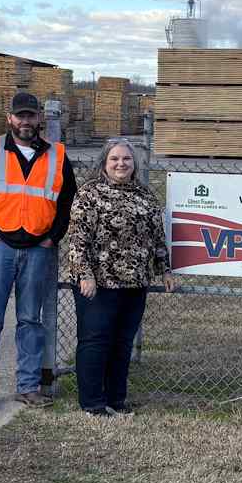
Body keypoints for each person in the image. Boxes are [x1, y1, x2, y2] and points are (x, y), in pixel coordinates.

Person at [0, 91, 77, 412]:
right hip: (1, 249)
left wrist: (52, 238)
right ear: (9, 118)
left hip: (38, 250)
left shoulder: (56, 155)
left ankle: (27, 387)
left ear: (40, 118)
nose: (25, 122)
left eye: (31, 116)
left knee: (30, 320)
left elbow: (68, 202)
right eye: (20, 116)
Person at [65, 139, 173, 416]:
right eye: (115, 159)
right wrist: (84, 275)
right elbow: (78, 239)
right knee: (95, 341)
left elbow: (157, 237)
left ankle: (116, 400)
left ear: (134, 163)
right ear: (104, 163)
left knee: (122, 342)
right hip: (99, 283)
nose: (121, 164)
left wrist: (166, 270)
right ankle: (92, 403)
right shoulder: (89, 193)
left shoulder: (145, 195)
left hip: (135, 283)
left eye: (126, 159)